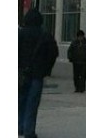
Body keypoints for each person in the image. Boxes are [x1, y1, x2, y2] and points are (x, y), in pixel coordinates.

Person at [18, 7, 59, 138]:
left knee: (20, 100)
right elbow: (53, 53)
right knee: (32, 102)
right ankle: (29, 130)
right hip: (37, 74)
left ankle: (19, 126)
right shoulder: (45, 35)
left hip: (21, 73)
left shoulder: (21, 34)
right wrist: (46, 69)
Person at [68, 28, 86, 92]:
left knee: (83, 75)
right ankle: (77, 87)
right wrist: (70, 58)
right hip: (76, 61)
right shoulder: (74, 43)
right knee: (76, 75)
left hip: (84, 61)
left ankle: (82, 88)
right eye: (79, 37)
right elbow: (70, 51)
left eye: (81, 36)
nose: (80, 38)